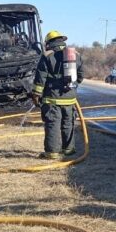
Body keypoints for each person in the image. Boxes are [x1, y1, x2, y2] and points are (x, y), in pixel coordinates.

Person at [31, 30, 84, 160]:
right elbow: (81, 76)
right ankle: (69, 149)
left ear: (48, 42)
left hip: (52, 98)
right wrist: (72, 85)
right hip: (70, 99)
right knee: (68, 123)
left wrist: (36, 94)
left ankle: (52, 152)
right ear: (62, 41)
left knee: (53, 124)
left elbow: (41, 77)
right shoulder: (75, 55)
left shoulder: (47, 55)